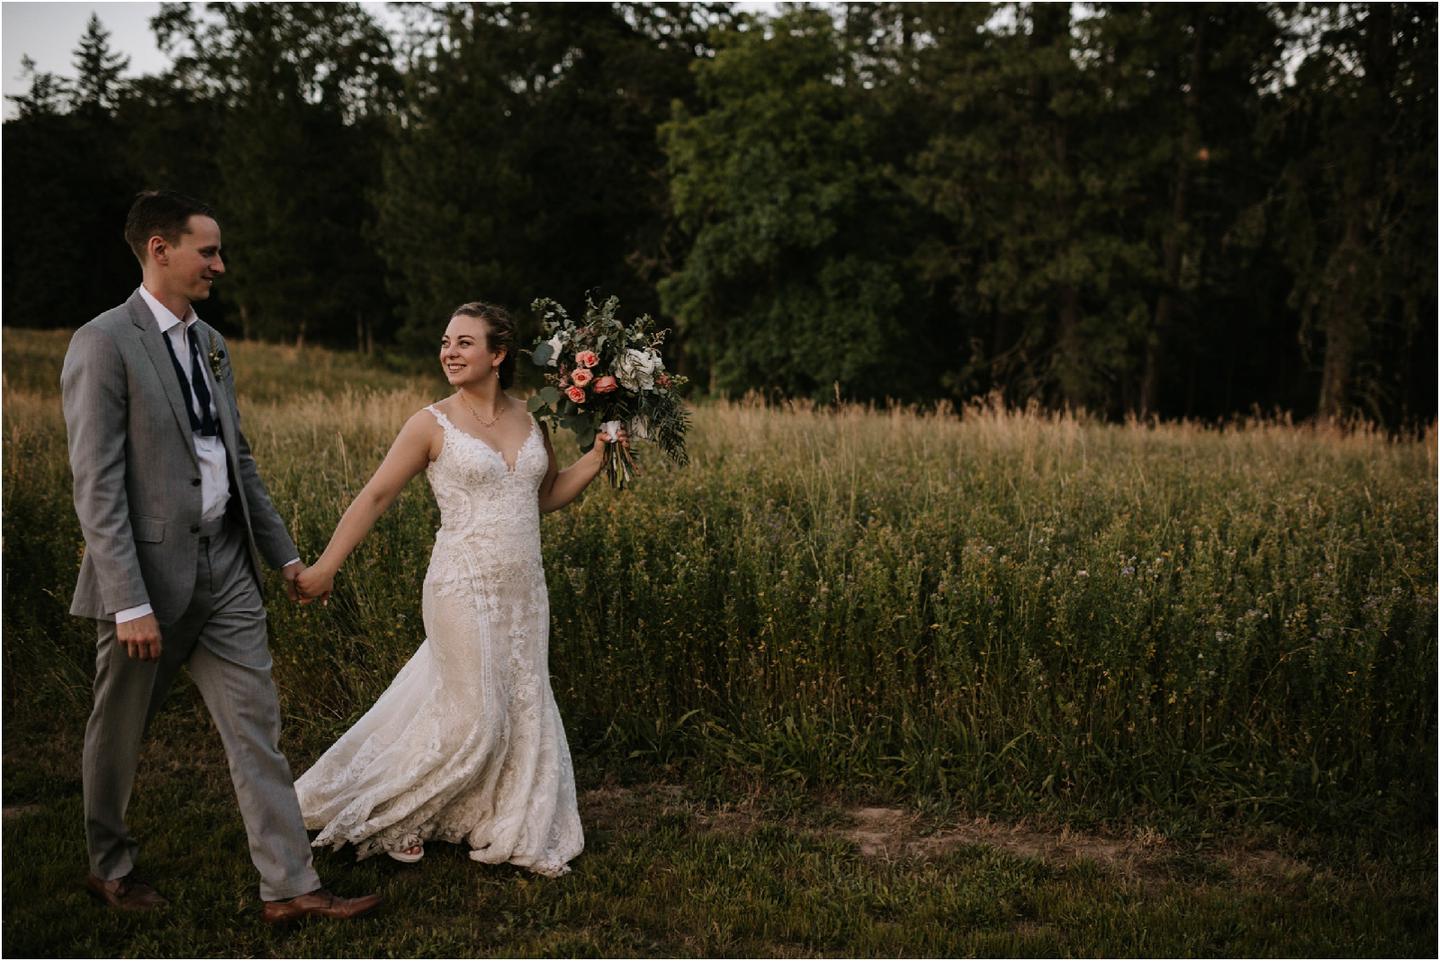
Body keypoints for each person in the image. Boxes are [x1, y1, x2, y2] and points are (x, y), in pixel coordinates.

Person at [61, 189, 381, 923]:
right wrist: (129, 599)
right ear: (160, 249)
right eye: (208, 251)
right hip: (145, 578)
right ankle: (108, 864)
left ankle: (290, 886)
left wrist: (287, 559)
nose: (220, 265)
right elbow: (97, 484)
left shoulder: (212, 342)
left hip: (228, 568)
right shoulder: (103, 341)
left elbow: (237, 458)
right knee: (118, 730)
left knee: (256, 727)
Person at [292, 301, 625, 875]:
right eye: (447, 341)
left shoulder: (531, 418)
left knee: (514, 705)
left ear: (497, 355)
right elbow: (375, 496)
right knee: (475, 713)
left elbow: (540, 497)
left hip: (524, 590)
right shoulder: (430, 423)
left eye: (465, 342)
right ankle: (397, 812)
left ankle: (486, 808)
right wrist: (325, 567)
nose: (450, 351)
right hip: (460, 584)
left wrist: (595, 457)